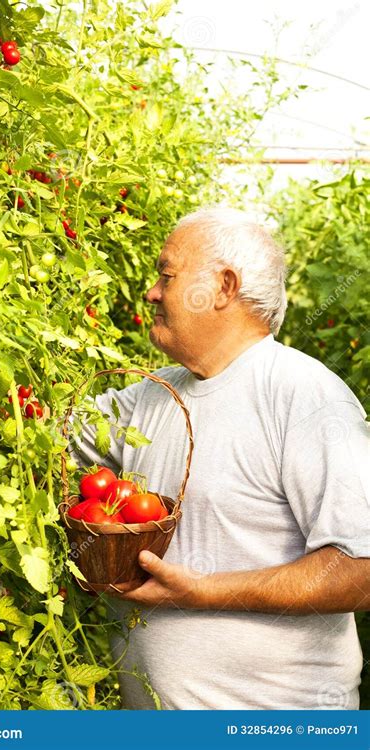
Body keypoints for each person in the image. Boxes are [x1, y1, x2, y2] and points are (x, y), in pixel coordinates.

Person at [71, 206, 370, 710]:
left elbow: (360, 568)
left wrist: (202, 591)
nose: (152, 292)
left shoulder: (304, 396)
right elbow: (45, 434)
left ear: (225, 286)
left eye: (166, 275)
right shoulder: (153, 396)